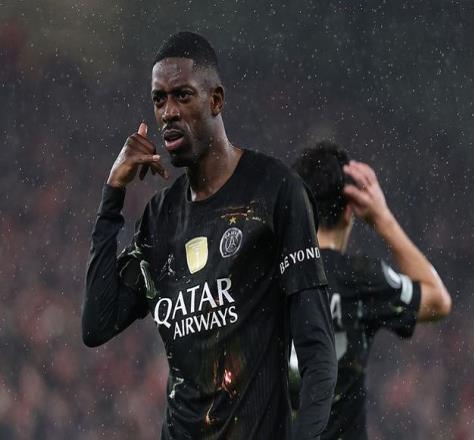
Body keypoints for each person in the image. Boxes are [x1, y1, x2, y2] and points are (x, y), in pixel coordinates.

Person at [82, 32, 336, 440]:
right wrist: (112, 195)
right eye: (159, 100)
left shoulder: (275, 191)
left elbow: (317, 353)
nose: (168, 112)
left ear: (215, 100)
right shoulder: (159, 219)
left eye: (182, 96)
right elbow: (97, 325)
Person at [289, 141, 452, 439]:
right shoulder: (359, 278)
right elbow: (438, 300)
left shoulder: (266, 277)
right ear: (349, 212)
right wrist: (382, 218)